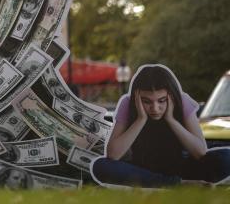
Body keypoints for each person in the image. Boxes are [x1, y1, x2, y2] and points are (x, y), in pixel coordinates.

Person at [91, 64, 230, 187]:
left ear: (171, 97)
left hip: (180, 166)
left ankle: (166, 182)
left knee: (226, 157)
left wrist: (171, 120)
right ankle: (176, 184)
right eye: (147, 101)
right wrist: (140, 119)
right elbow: (113, 154)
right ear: (137, 98)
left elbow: (200, 152)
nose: (155, 108)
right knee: (101, 166)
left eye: (162, 101)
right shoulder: (127, 104)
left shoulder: (182, 102)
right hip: (142, 169)